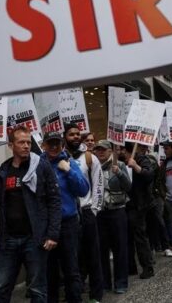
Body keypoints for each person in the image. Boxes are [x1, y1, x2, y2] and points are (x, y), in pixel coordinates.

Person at [0, 126, 61, 303]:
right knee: (1, 288)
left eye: (28, 142)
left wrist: (52, 234)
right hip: (8, 240)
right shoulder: (2, 171)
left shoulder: (41, 167)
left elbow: (54, 200)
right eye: (21, 142)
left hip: (34, 238)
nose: (26, 146)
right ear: (11, 145)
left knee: (38, 289)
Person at [41, 130, 89, 303]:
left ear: (62, 145)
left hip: (68, 224)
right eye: (50, 143)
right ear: (43, 145)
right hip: (47, 225)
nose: (54, 147)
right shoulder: (38, 164)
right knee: (50, 270)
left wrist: (69, 171)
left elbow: (83, 190)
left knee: (71, 269)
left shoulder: (68, 162)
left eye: (57, 143)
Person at [66, 126, 105, 303]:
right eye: (71, 134)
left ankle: (96, 294)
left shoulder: (90, 158)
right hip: (69, 215)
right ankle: (75, 291)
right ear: (65, 137)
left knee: (92, 255)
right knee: (73, 255)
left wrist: (94, 210)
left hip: (87, 211)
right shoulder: (61, 157)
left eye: (77, 134)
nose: (75, 137)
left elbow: (98, 185)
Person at [94, 140, 131, 294]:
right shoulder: (94, 166)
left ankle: (121, 282)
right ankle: (105, 282)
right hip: (100, 213)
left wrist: (119, 173)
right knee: (101, 249)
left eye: (103, 149)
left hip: (117, 211)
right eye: (98, 150)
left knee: (120, 248)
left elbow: (128, 187)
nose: (100, 152)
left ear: (110, 151)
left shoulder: (119, 165)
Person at [123, 142, 156, 279]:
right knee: (128, 237)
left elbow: (149, 176)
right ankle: (131, 267)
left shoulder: (141, 159)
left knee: (140, 236)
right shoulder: (118, 160)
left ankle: (148, 267)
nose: (117, 151)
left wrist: (136, 167)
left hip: (139, 204)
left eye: (120, 149)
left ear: (126, 150)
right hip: (125, 204)